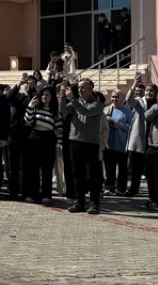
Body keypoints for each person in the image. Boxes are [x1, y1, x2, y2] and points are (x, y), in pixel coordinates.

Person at [59, 78, 104, 214]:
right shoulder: (75, 103)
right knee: (77, 173)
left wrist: (73, 100)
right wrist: (62, 97)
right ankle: (79, 202)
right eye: (79, 87)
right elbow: (63, 111)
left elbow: (86, 111)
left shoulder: (97, 104)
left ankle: (94, 203)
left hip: (90, 143)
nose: (80, 90)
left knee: (92, 175)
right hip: (75, 141)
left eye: (84, 87)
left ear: (91, 89)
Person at [23, 87, 60, 204]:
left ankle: (46, 195)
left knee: (47, 170)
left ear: (52, 97)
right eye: (43, 95)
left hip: (48, 140)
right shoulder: (35, 108)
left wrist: (59, 143)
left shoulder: (55, 111)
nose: (45, 97)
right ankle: (33, 194)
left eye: (47, 95)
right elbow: (27, 120)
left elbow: (59, 129)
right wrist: (30, 106)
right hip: (34, 139)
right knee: (33, 169)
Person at [103, 90, 133, 196]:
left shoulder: (128, 112)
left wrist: (119, 125)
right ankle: (109, 186)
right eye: (113, 97)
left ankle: (121, 188)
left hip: (122, 144)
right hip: (108, 143)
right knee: (109, 167)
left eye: (117, 97)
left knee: (122, 168)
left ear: (123, 98)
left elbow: (131, 128)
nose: (115, 99)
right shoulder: (106, 110)